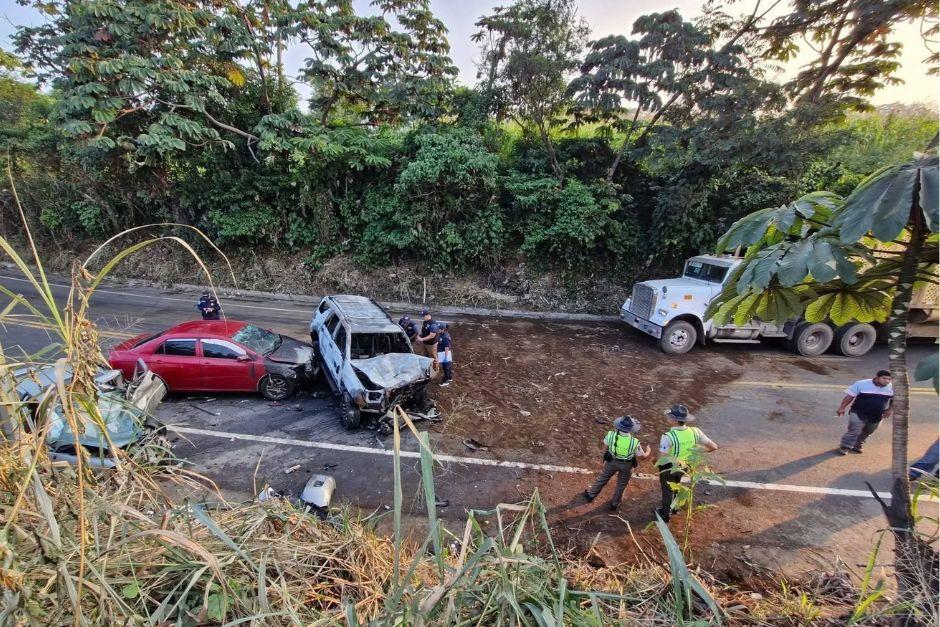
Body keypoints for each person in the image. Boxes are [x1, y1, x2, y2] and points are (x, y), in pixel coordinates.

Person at [655, 403, 718, 522]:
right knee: (678, 484)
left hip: (669, 467)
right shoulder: (695, 431)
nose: (667, 418)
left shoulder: (667, 436)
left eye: (669, 417)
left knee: (667, 489)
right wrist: (695, 452)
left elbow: (663, 457)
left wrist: (657, 466)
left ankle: (665, 514)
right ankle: (675, 508)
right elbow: (713, 447)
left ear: (674, 421)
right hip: (685, 466)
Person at [584, 415, 651, 511]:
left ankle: (591, 494)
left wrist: (606, 456)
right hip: (627, 465)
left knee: (602, 478)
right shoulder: (635, 442)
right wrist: (648, 451)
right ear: (631, 429)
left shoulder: (610, 435)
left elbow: (605, 447)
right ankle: (615, 503)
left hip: (611, 461)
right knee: (621, 485)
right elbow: (642, 457)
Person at [836, 370, 893, 455]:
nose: (887, 381)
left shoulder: (892, 387)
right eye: (884, 378)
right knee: (854, 430)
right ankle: (845, 446)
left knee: (868, 431)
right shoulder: (861, 384)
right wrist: (842, 408)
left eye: (889, 379)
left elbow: (895, 399)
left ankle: (857, 444)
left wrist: (890, 409)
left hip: (877, 414)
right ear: (877, 378)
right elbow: (850, 396)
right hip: (858, 412)